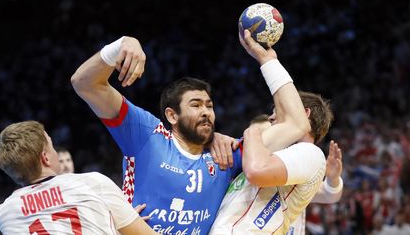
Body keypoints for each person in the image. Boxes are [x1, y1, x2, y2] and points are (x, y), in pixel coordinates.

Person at [70, 30, 309, 234]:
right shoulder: (147, 135)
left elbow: (296, 125)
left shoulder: (228, 155)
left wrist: (268, 61)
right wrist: (120, 45)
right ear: (172, 115)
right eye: (195, 105)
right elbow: (84, 84)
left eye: (209, 105)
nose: (206, 112)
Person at [0, 120, 157, 234]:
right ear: (46, 158)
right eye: (51, 146)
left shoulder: (4, 214)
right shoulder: (92, 183)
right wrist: (123, 223)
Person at [209, 89, 334, 234]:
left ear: (304, 113)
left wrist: (253, 132)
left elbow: (256, 172)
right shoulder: (273, 155)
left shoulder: (310, 153)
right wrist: (215, 139)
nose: (271, 117)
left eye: (278, 112)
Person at [244, 114, 344, 235]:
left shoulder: (293, 176)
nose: (264, 143)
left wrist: (333, 178)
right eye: (258, 139)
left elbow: (329, 195)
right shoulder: (239, 178)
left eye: (268, 136)